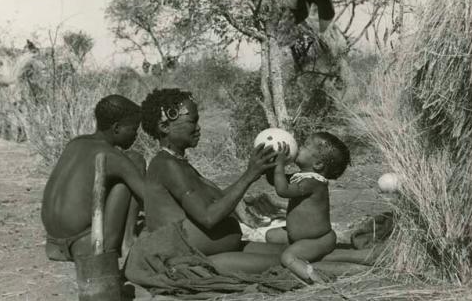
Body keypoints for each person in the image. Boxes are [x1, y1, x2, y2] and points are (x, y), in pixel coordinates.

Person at [137, 88, 281, 275]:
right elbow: (209, 217)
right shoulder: (166, 165)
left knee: (293, 251)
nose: (198, 128)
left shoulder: (177, 162)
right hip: (197, 259)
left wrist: (254, 175)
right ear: (164, 127)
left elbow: (217, 201)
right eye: (192, 121)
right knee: (289, 261)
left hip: (215, 251)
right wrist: (248, 176)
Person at [41, 94, 146, 261]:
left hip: (53, 246)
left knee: (119, 173)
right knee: (136, 161)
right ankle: (128, 241)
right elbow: (149, 198)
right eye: (133, 129)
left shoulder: (75, 144)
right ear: (117, 127)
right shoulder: (114, 156)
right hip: (88, 247)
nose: (136, 135)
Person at [265, 132, 351, 283]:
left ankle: (316, 279)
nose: (298, 146)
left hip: (318, 239)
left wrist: (279, 164)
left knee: (287, 257)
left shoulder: (313, 183)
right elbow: (275, 181)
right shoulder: (301, 176)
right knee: (270, 236)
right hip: (300, 238)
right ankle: (311, 255)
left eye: (305, 145)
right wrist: (270, 164)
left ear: (318, 164)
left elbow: (282, 190)